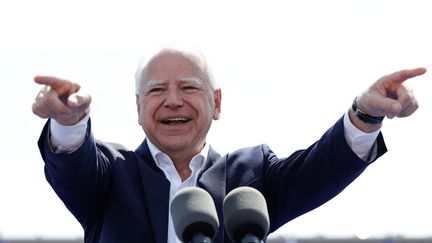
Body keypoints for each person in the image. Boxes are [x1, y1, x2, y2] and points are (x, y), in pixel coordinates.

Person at [32, 47, 426, 243]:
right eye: (157, 90)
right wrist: (68, 121)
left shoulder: (250, 176)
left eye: (188, 87)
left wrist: (366, 114)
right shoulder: (109, 174)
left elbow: (321, 169)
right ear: (138, 107)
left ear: (216, 103)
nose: (173, 101)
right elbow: (72, 160)